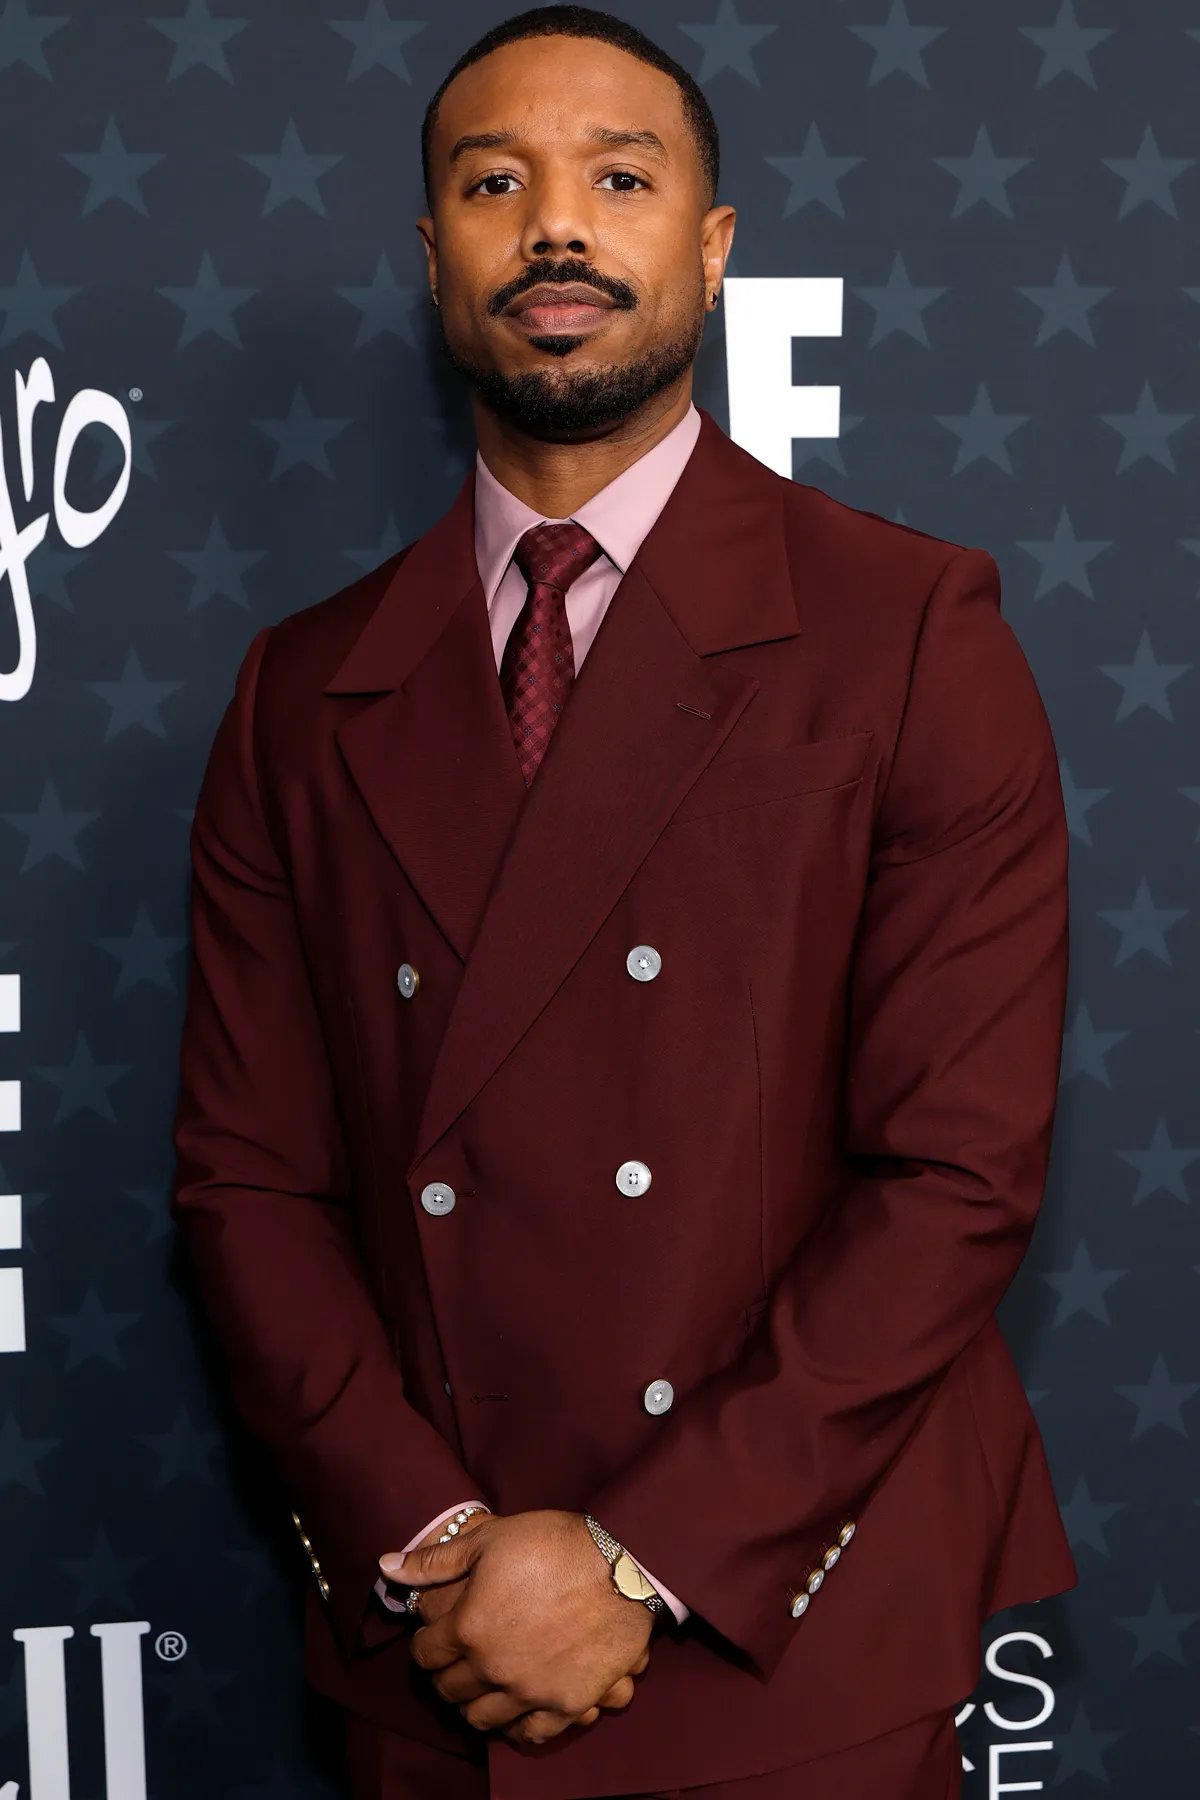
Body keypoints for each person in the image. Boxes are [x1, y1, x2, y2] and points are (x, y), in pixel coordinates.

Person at [169, 6, 1079, 1796]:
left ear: (713, 249)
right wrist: (439, 1540)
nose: (557, 226)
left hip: (789, 1618)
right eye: (495, 183)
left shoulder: (906, 634)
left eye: (622, 177)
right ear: (436, 259)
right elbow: (247, 1180)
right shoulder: (304, 686)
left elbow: (957, 1173)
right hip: (438, 1645)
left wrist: (633, 1558)